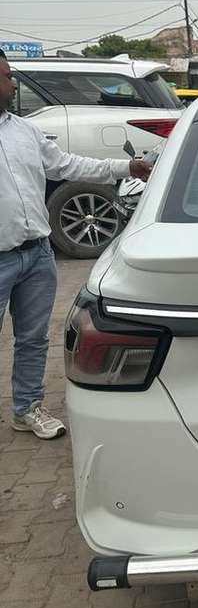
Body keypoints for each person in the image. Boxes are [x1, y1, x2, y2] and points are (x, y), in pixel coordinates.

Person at [0, 50, 152, 439]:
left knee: (33, 338)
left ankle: (27, 408)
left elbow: (68, 166)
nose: (12, 84)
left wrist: (124, 168)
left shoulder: (25, 131)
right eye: (5, 76)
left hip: (36, 255)